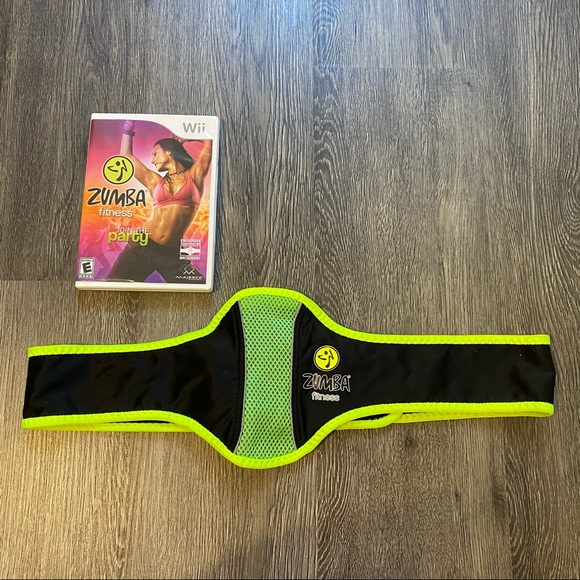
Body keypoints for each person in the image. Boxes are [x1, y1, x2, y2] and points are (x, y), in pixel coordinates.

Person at [106, 120, 212, 282]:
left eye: (155, 154)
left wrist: (186, 137)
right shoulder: (155, 181)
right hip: (140, 247)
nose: (152, 160)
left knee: (198, 287)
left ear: (169, 152)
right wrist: (128, 127)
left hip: (172, 256)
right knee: (113, 287)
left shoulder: (194, 177)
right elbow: (126, 157)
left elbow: (209, 141)